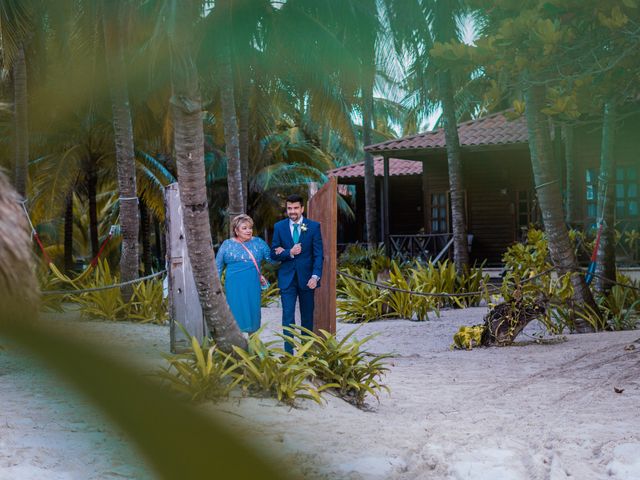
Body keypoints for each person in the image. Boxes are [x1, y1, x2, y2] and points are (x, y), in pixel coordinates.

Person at [271, 194, 324, 353]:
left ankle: (306, 355)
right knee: (288, 317)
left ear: (302, 208)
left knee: (307, 318)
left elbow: (318, 255)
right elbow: (274, 254)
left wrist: (315, 276)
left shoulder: (313, 227)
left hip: (308, 280)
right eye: (289, 208)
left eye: (295, 208)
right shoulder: (279, 227)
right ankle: (288, 355)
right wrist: (289, 252)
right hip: (287, 279)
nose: (292, 211)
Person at [216, 214, 276, 334]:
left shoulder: (259, 242)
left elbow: (272, 259)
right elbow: (218, 266)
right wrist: (215, 289)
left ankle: (253, 346)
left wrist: (285, 252)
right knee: (235, 314)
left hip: (252, 285)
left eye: (250, 228)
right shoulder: (227, 244)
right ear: (236, 230)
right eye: (244, 228)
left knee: (253, 315)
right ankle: (235, 348)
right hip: (234, 286)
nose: (249, 231)